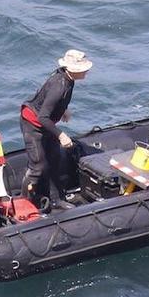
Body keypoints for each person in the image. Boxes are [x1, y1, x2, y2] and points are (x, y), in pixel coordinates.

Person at [19, 49, 92, 208]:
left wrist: (62, 109)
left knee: (55, 159)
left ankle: (57, 199)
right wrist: (61, 135)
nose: (87, 71)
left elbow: (48, 100)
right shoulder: (59, 85)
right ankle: (24, 204)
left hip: (46, 123)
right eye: (83, 69)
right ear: (73, 70)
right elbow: (42, 117)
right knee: (38, 166)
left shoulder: (67, 79)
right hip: (33, 125)